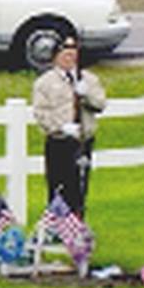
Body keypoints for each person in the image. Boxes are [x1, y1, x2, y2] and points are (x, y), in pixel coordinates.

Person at [30, 33, 106, 215]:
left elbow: (100, 104)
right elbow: (41, 113)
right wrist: (60, 127)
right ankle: (58, 226)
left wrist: (86, 94)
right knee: (58, 185)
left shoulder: (88, 79)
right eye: (65, 54)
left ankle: (77, 225)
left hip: (82, 141)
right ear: (55, 57)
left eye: (73, 54)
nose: (70, 58)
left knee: (80, 185)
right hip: (59, 142)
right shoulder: (45, 83)